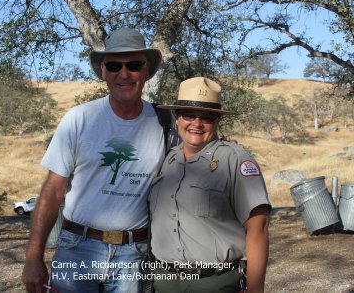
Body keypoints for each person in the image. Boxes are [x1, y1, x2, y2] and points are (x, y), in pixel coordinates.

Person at [22, 27, 166, 293]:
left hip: (133, 255)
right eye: (114, 65)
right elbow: (52, 192)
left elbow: (197, 156)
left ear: (146, 71)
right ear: (103, 72)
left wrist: (226, 150)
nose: (124, 74)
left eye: (134, 65)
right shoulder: (79, 118)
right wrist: (33, 257)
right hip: (76, 248)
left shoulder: (165, 125)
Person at [149, 77, 271, 293]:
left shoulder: (235, 159)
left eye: (207, 117)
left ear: (217, 121)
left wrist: (255, 289)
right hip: (164, 281)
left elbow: (258, 227)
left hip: (215, 283)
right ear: (177, 118)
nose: (196, 124)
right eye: (188, 115)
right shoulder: (167, 159)